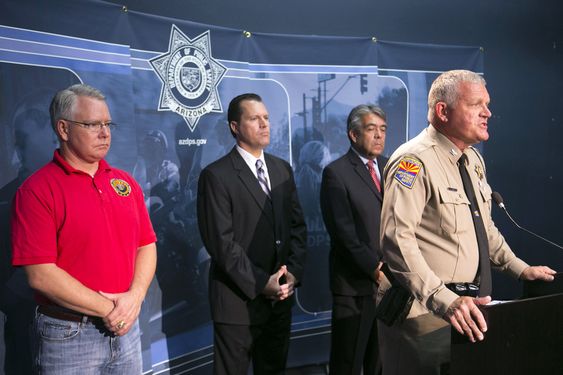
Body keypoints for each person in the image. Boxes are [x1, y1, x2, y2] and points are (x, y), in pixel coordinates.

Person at [378, 69, 556, 375]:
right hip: (424, 315)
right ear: (442, 111)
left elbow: (483, 229)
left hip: (467, 309)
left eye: (487, 104)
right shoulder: (413, 160)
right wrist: (444, 300)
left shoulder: (473, 160)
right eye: (476, 105)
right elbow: (397, 241)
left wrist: (520, 269)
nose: (488, 113)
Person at [10, 84, 157, 374]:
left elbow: (146, 245)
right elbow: (40, 274)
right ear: (63, 129)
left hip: (126, 329)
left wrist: (134, 299)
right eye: (92, 124)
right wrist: (111, 311)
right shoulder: (37, 190)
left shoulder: (125, 183)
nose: (105, 133)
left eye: (107, 124)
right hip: (68, 336)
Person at [197, 93, 307, 375]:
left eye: (267, 118)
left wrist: (291, 273)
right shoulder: (216, 175)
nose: (264, 124)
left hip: (280, 301)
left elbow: (297, 227)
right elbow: (221, 243)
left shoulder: (282, 169)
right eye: (254, 119)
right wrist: (261, 283)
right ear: (235, 127)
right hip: (237, 306)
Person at [320, 104, 388, 375]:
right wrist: (376, 269)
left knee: (381, 363)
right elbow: (343, 234)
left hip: (391, 288)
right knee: (347, 364)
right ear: (353, 135)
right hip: (355, 287)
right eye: (371, 129)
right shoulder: (336, 173)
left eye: (383, 130)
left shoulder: (391, 166)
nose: (379, 136)